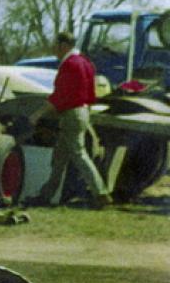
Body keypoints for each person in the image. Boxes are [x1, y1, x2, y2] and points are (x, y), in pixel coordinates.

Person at [25, 31, 112, 208]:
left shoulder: (69, 65)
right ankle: (46, 195)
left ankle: (101, 193)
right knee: (59, 157)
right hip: (83, 112)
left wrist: (37, 114)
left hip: (72, 115)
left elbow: (59, 96)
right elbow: (91, 94)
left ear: (63, 45)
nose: (54, 49)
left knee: (79, 155)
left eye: (55, 45)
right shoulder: (86, 63)